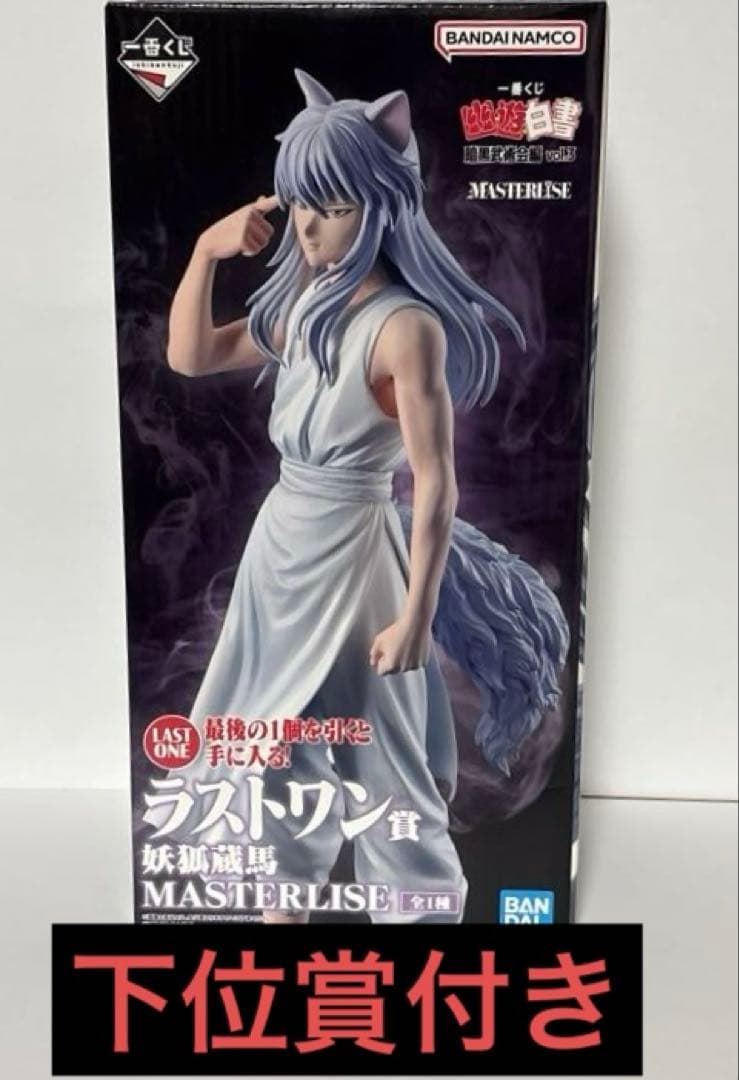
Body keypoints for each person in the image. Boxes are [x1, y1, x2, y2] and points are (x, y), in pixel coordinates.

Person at [159, 70, 569, 924]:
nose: (309, 226)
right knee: (274, 745)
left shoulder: (404, 327)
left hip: (356, 556)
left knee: (384, 758)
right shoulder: (306, 305)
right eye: (301, 204)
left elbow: (436, 481)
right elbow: (192, 357)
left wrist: (416, 615)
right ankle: (282, 915)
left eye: (334, 206)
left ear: (382, 207)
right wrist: (205, 251)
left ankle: (415, 923)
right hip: (281, 550)